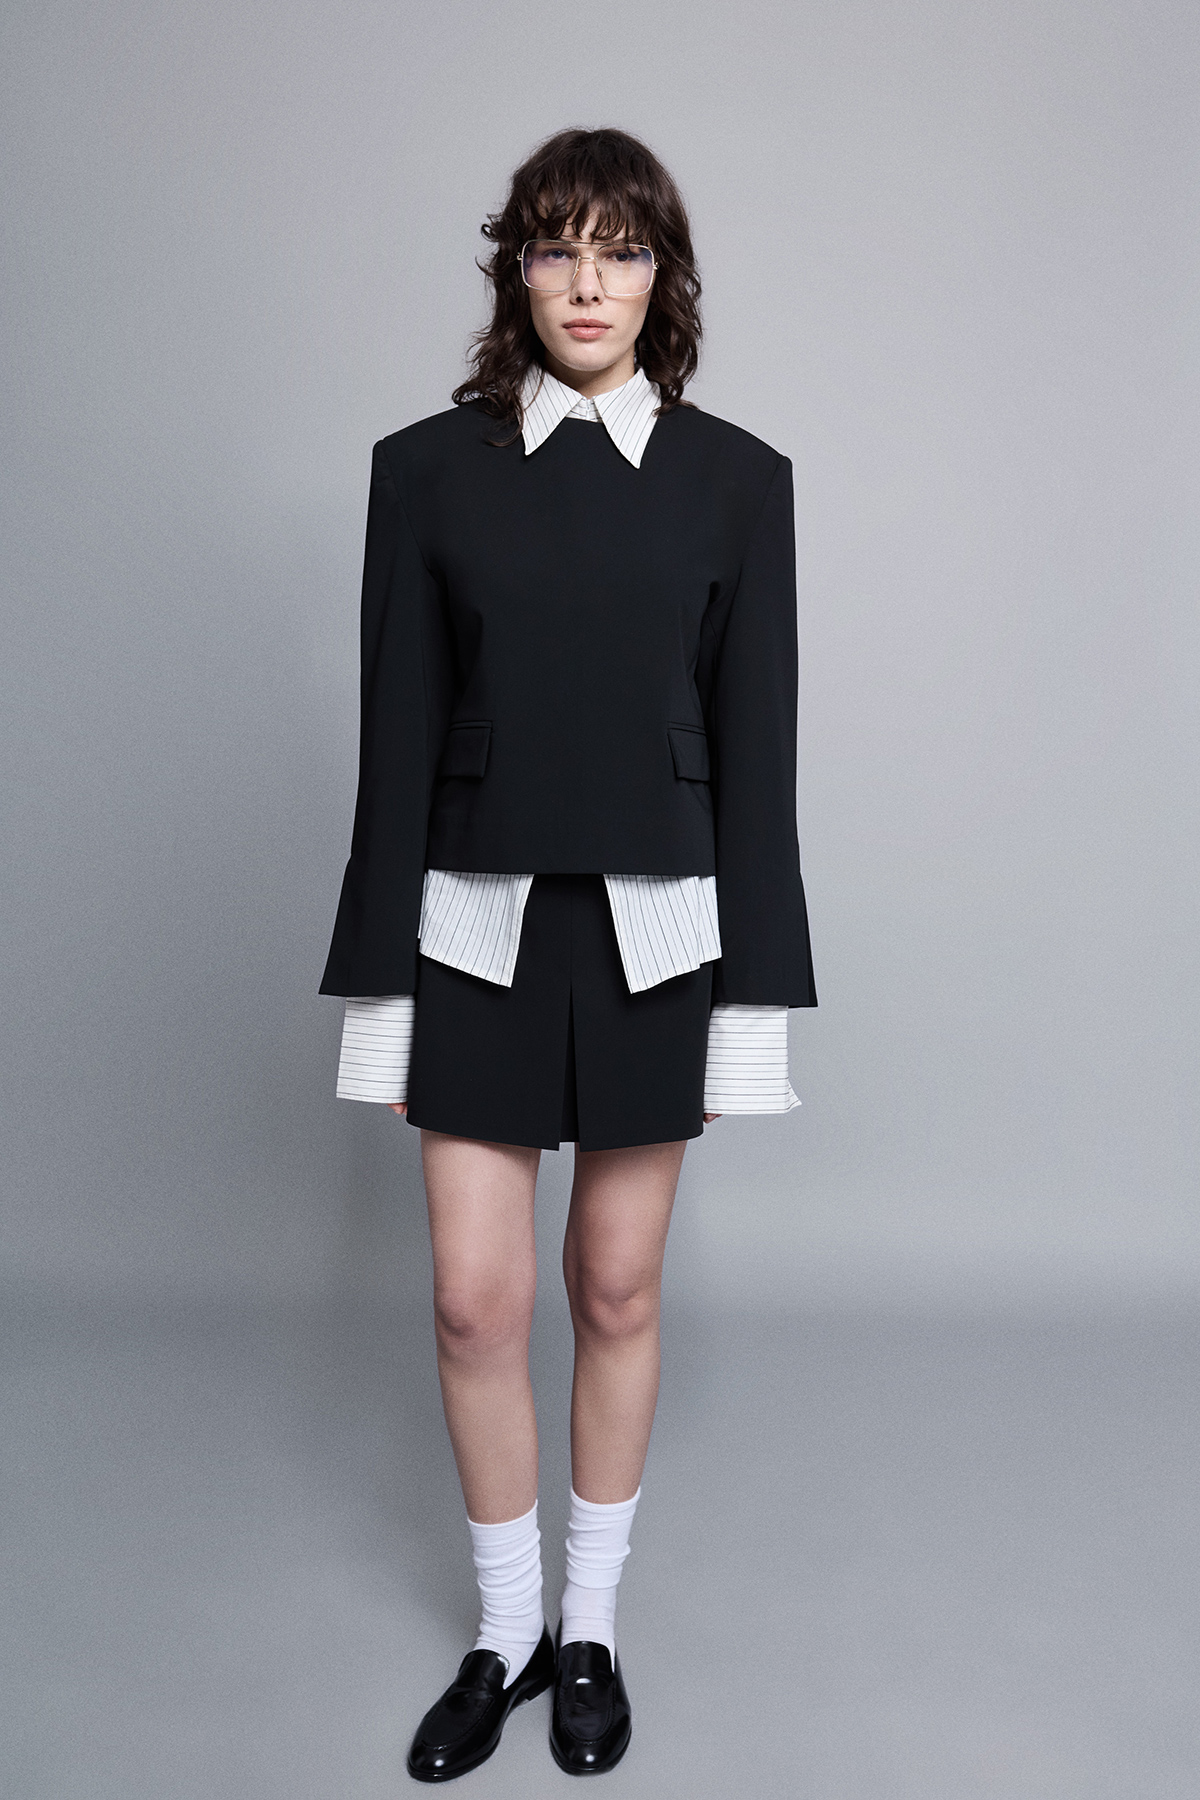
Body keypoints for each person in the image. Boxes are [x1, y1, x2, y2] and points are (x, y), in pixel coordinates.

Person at [320, 125, 816, 1781]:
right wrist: (383, 1006)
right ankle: (504, 1631)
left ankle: (588, 1627)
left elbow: (757, 763)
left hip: (661, 936)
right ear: (516, 274)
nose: (589, 283)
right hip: (474, 932)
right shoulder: (426, 473)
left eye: (622, 250)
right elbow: (397, 750)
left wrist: (753, 1011)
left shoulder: (740, 482)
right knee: (475, 1305)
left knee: (613, 1286)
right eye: (558, 250)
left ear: (663, 277)